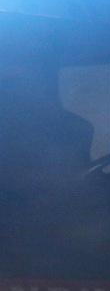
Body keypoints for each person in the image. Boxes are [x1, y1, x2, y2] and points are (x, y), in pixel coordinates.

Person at [0, 61, 94, 196]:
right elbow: (14, 178)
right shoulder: (10, 131)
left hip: (64, 198)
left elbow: (81, 172)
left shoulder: (78, 126)